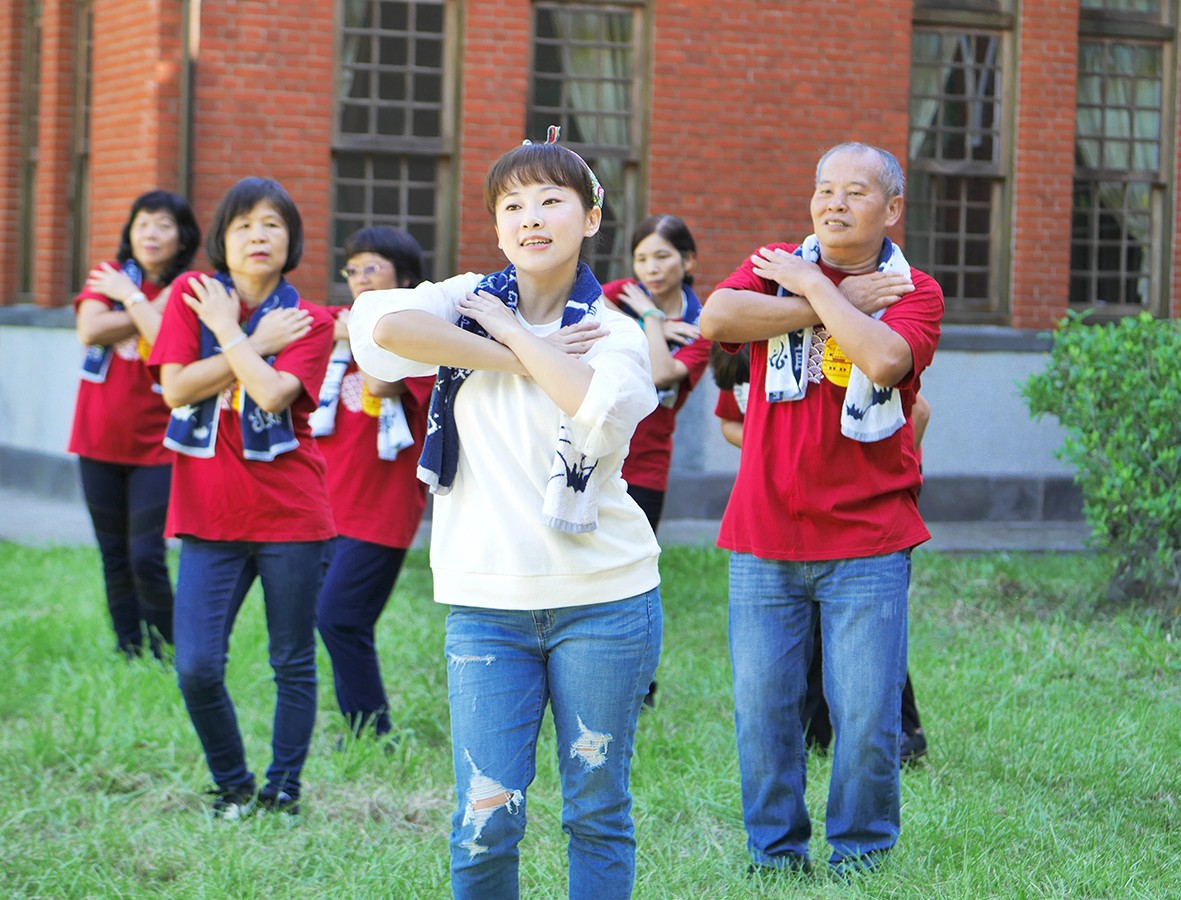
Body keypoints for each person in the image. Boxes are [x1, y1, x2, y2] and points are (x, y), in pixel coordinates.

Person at [349, 130, 662, 899]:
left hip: (605, 600)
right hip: (487, 607)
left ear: (590, 218)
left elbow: (594, 402)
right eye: (512, 204)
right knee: (484, 818)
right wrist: (528, 347)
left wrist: (516, 331)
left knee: (596, 810)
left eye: (552, 200)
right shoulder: (466, 300)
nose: (530, 216)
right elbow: (382, 330)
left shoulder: (617, 331)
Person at [699, 142, 943, 877]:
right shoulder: (775, 263)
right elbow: (716, 318)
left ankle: (859, 858)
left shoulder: (914, 290)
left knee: (865, 718)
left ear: (891, 208)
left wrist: (812, 291)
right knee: (762, 714)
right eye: (822, 188)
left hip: (868, 539)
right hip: (764, 534)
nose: (832, 202)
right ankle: (774, 858)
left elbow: (882, 361)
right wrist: (811, 290)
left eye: (854, 191)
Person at [149, 177, 335, 818]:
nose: (259, 235)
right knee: (196, 665)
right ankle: (232, 783)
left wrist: (229, 337)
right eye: (244, 225)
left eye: (273, 224)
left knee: (291, 660)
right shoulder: (190, 297)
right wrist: (249, 339)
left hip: (291, 513)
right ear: (222, 241)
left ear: (292, 241)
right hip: (206, 513)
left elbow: (274, 395)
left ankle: (283, 788)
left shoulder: (310, 320)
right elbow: (175, 389)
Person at [710, 346, 932, 763]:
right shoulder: (746, 350)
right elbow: (730, 420)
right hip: (782, 516)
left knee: (865, 651)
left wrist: (892, 468)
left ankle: (906, 732)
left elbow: (918, 411)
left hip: (857, 515)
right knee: (804, 640)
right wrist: (769, 442)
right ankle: (816, 733)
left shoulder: (838, 343)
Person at [312, 226, 434, 741]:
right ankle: (361, 726)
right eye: (353, 270)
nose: (359, 279)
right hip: (326, 507)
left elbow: (384, 381)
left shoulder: (420, 340)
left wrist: (351, 333)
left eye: (373, 269)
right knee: (337, 622)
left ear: (404, 280)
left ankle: (373, 731)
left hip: (381, 510)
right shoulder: (337, 338)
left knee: (339, 618)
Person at [68, 189, 200, 659]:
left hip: (158, 444)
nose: (151, 233)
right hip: (96, 437)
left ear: (182, 236)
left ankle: (168, 652)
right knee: (113, 554)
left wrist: (128, 306)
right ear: (130, 231)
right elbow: (90, 329)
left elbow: (167, 338)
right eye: (143, 222)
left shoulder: (191, 289)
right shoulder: (108, 276)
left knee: (146, 554)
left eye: (163, 224)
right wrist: (139, 303)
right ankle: (129, 649)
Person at [601, 215, 711, 532]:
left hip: (646, 466)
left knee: (635, 568)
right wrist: (647, 323)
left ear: (688, 260)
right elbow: (580, 302)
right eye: (641, 259)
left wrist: (651, 318)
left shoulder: (698, 328)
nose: (651, 268)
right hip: (595, 452)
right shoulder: (623, 294)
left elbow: (661, 374)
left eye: (662, 256)